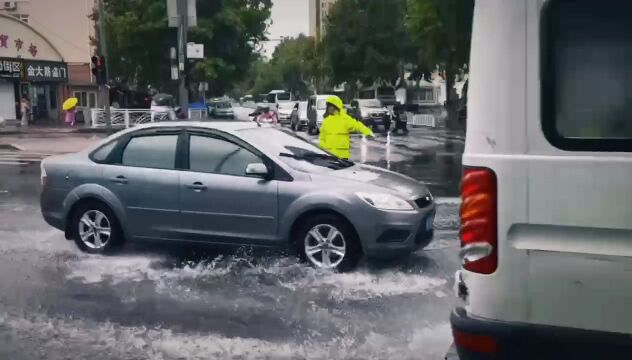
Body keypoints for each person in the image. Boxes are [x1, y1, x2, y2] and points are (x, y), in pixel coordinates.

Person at [319, 95, 374, 160]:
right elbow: (322, 138)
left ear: (336, 106)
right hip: (329, 156)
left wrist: (368, 132)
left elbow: (357, 125)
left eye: (330, 106)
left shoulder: (345, 119)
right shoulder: (326, 121)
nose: (329, 108)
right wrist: (324, 150)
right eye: (328, 106)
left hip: (342, 156)